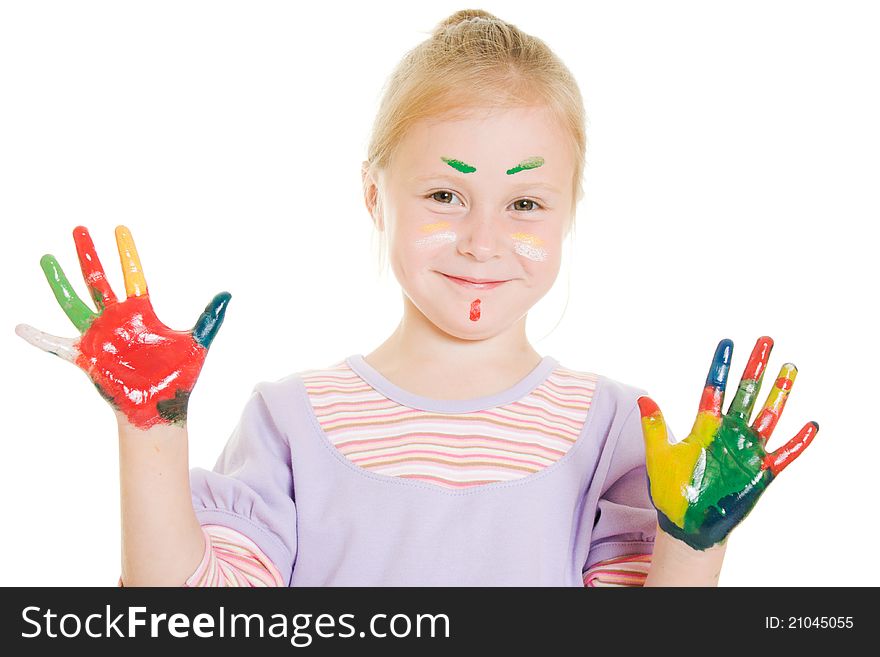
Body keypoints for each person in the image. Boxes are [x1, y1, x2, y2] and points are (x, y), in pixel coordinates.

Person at [14, 9, 818, 587]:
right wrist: (151, 428)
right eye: (444, 194)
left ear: (572, 210)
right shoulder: (294, 420)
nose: (482, 239)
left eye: (527, 204)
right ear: (374, 196)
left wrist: (693, 544)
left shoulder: (612, 428)